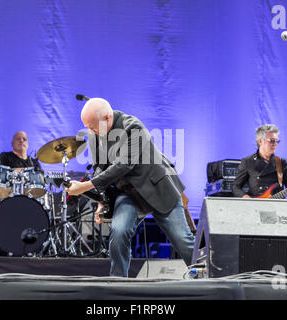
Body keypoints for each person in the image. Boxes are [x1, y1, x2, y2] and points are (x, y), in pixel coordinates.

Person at [66, 98, 195, 277]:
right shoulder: (95, 134)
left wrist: (85, 186)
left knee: (183, 241)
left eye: (92, 126)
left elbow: (124, 165)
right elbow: (99, 168)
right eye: (87, 126)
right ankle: (118, 286)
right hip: (127, 193)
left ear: (106, 118)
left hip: (157, 187)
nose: (90, 131)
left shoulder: (133, 127)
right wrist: (101, 202)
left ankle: (211, 282)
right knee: (118, 234)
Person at [232, 124, 287, 198]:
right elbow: (236, 187)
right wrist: (245, 197)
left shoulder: (281, 162)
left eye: (276, 141)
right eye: (272, 141)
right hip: (256, 207)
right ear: (260, 141)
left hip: (278, 207)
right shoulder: (247, 162)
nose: (275, 144)